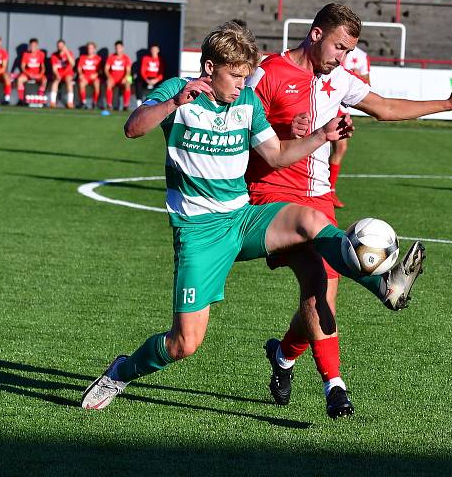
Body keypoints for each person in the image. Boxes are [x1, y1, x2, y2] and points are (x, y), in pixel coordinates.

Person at [80, 22, 408, 411]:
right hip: (198, 232)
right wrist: (174, 104)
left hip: (241, 218)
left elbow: (274, 155)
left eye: (244, 75)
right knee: (184, 343)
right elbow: (133, 128)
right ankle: (121, 372)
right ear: (208, 68)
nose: (241, 83)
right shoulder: (176, 91)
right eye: (234, 75)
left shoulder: (247, 103)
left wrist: (321, 135)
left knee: (311, 221)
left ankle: (380, 278)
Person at [246, 3, 452, 418]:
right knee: (321, 280)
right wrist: (281, 130)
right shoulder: (269, 73)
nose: (343, 58)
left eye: (349, 51)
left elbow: (385, 107)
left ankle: (283, 356)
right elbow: (238, 123)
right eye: (338, 47)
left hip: (319, 199)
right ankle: (336, 384)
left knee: (321, 291)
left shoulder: (338, 80)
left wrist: (446, 104)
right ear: (315, 34)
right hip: (274, 194)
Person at [327, 45, 370, 208]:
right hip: (326, 99)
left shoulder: (361, 56)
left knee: (340, 147)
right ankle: (326, 191)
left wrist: (357, 76)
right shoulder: (331, 49)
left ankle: (330, 190)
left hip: (342, 106)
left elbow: (367, 85)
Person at [16, 38, 47, 104]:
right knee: (20, 80)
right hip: (28, 74)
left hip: (37, 74)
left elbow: (43, 67)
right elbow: (23, 67)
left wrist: (40, 75)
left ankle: (39, 99)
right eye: (31, 46)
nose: (33, 47)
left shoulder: (41, 54)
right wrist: (28, 74)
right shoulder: (26, 54)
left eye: (34, 46)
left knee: (44, 80)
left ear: (37, 46)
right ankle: (21, 100)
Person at [104, 40, 132, 110]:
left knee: (128, 84)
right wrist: (109, 77)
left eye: (119, 48)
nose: (118, 49)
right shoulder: (111, 57)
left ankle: (126, 105)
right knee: (108, 83)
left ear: (122, 48)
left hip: (123, 78)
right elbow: (106, 69)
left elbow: (128, 71)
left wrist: (125, 78)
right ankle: (109, 105)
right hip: (113, 78)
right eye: (116, 48)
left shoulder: (126, 58)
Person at [49, 39, 75, 109]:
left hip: (67, 73)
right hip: (58, 73)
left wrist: (66, 53)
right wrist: (57, 75)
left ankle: (70, 102)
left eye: (61, 46)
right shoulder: (54, 55)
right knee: (55, 82)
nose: (60, 47)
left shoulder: (69, 53)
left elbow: (72, 64)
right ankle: (52, 102)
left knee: (69, 81)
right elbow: (54, 68)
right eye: (58, 46)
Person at [77, 42, 102, 109]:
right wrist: (81, 74)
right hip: (85, 77)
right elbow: (79, 68)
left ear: (94, 49)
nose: (89, 50)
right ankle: (83, 102)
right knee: (81, 83)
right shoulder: (83, 57)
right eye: (88, 48)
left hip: (94, 77)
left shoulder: (98, 58)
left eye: (91, 48)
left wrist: (96, 74)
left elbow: (100, 71)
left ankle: (94, 103)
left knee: (97, 84)